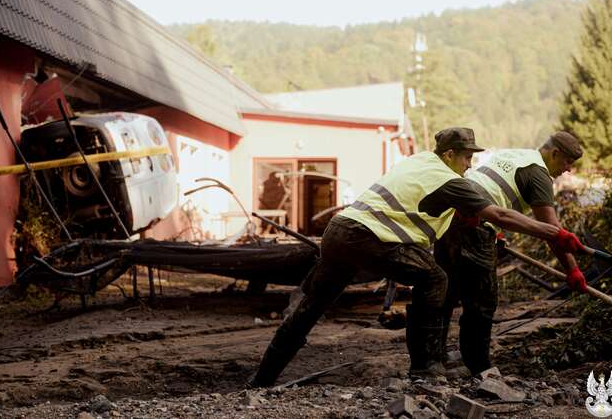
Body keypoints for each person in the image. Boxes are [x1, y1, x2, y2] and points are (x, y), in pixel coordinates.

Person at [248, 128, 585, 387]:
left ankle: (261, 379)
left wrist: (468, 214)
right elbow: (501, 214)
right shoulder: (452, 180)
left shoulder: (418, 160)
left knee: (312, 306)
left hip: (340, 231)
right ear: (451, 154)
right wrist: (556, 235)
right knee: (434, 279)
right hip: (371, 238)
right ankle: (425, 368)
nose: (471, 165)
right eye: (467, 158)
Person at [435, 131, 587, 376]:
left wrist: (498, 234)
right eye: (567, 161)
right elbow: (552, 232)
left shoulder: (517, 155)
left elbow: (491, 189)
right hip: (475, 223)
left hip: (451, 214)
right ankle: (479, 367)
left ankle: (433, 359)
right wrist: (573, 270)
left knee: (446, 290)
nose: (568, 169)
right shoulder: (539, 175)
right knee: (482, 299)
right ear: (555, 153)